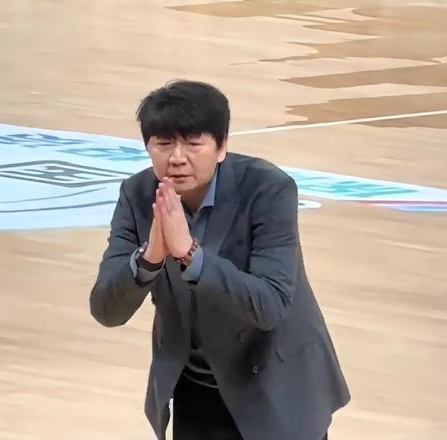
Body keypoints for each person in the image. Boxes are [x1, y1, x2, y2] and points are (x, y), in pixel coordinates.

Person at [89, 80, 350, 440]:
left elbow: (269, 305)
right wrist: (149, 259)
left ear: (222, 146)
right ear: (148, 146)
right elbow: (106, 310)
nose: (177, 157)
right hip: (195, 390)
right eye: (164, 144)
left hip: (276, 386)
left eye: (193, 143)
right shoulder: (137, 195)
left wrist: (190, 255)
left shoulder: (268, 190)